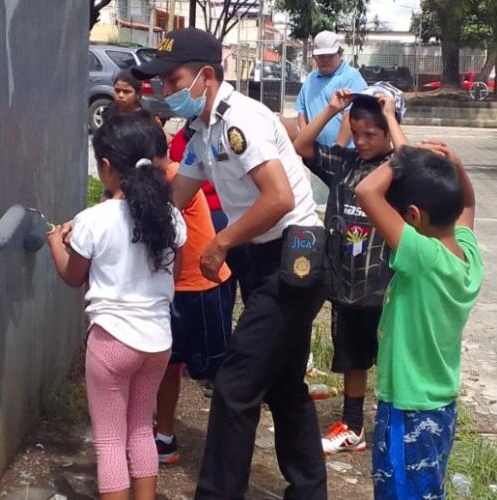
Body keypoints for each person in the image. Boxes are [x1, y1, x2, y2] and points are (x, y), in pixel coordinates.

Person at [133, 28, 327, 499]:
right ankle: (309, 490)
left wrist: (220, 242)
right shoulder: (202, 131)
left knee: (236, 383)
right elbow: (176, 198)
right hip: (260, 257)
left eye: (174, 80)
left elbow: (279, 199)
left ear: (206, 75)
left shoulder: (240, 120)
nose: (166, 90)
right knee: (283, 384)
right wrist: (124, 210)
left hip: (293, 256)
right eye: (162, 82)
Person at [47, 113, 187, 500]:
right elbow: (176, 271)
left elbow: (73, 276)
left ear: (106, 166)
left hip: (111, 342)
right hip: (157, 342)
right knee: (140, 429)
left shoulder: (92, 220)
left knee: (110, 441)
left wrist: (56, 242)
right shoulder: (171, 217)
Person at [355, 145, 483, 499]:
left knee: (400, 491)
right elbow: (469, 204)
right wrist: (456, 165)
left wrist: (403, 158)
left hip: (408, 408)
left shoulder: (422, 256)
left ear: (412, 215)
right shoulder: (468, 255)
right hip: (440, 407)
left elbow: (366, 191)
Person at [293, 83, 408, 455]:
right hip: (347, 285)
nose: (360, 141)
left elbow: (410, 166)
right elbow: (302, 146)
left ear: (388, 132)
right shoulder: (345, 163)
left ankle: (395, 429)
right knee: (352, 358)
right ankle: (353, 426)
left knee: (393, 360)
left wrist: (389, 115)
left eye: (370, 134)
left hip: (388, 287)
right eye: (356, 132)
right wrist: (331, 110)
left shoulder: (395, 171)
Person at [142, 114, 233, 465]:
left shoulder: (173, 179)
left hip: (201, 287)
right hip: (174, 288)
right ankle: (164, 438)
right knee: (169, 364)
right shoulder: (155, 179)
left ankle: (229, 447)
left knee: (217, 369)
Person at [295, 30, 366, 147]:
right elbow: (301, 111)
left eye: (330, 55)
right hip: (315, 152)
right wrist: (305, 140)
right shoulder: (310, 79)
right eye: (321, 56)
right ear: (315, 57)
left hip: (345, 153)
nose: (325, 60)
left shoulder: (352, 77)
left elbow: (351, 115)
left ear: (340, 53)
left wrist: (338, 149)